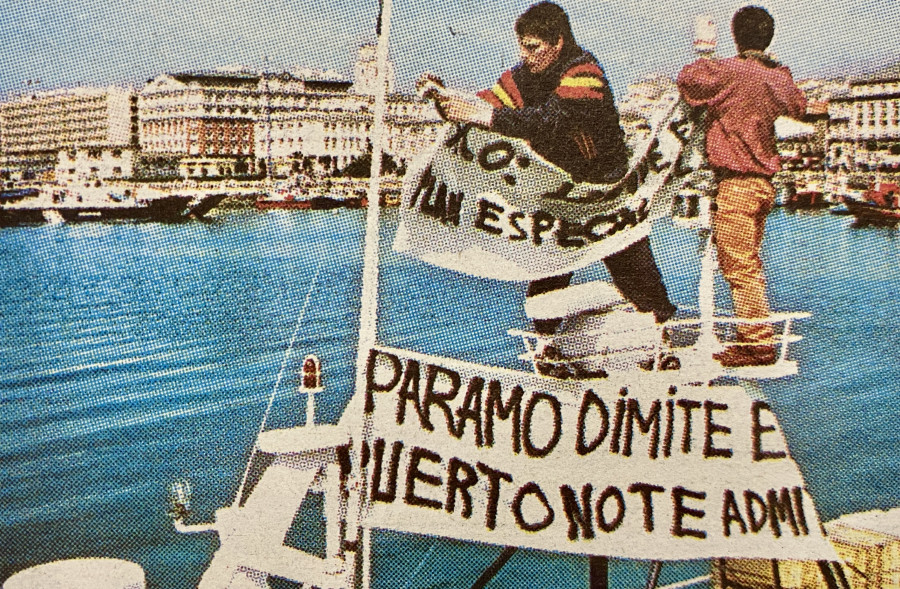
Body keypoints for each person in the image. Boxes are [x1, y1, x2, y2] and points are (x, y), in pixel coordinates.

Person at [421, 1, 677, 342]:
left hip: (605, 192)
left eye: (532, 47)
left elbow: (550, 122)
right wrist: (446, 98)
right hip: (560, 194)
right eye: (521, 46)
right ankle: (547, 346)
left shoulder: (585, 73)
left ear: (556, 43)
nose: (526, 55)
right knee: (547, 272)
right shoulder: (523, 76)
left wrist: (481, 116)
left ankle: (668, 338)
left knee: (634, 272)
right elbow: (487, 103)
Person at [677, 6, 806, 367]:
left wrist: (705, 50)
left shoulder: (730, 72)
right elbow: (799, 104)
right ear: (768, 37)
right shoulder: (776, 76)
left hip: (735, 182)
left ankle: (757, 344)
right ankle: (754, 333)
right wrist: (772, 66)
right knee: (750, 262)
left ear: (736, 36)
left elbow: (689, 80)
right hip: (765, 185)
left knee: (738, 265)